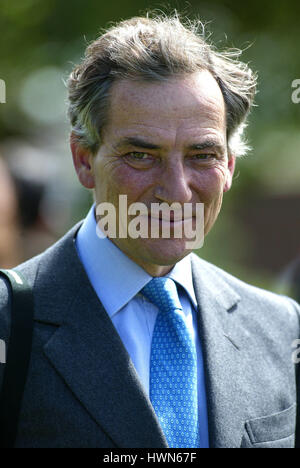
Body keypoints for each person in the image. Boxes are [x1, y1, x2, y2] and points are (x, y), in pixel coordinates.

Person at [0, 14, 299, 449]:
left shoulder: (281, 328)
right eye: (141, 155)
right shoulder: (10, 324)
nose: (177, 191)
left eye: (202, 155)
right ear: (84, 160)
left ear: (229, 166)